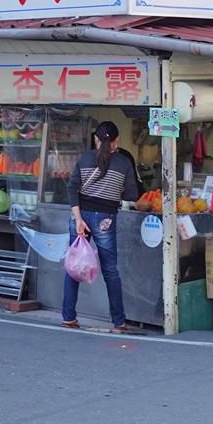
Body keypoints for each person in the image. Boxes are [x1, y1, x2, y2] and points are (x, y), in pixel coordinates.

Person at [62, 121, 139, 332]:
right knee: (110, 270)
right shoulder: (124, 162)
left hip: (80, 216)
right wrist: (118, 190)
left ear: (96, 138)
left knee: (74, 265)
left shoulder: (84, 158)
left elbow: (72, 190)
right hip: (105, 218)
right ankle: (119, 322)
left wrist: (78, 220)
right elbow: (133, 194)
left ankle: (68, 317)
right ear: (116, 141)